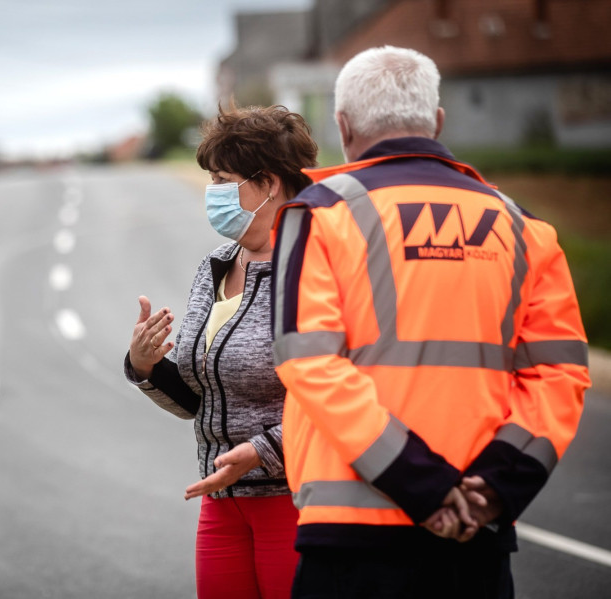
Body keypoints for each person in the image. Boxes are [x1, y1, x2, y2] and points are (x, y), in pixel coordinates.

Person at [270, 46, 591, 599]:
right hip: (477, 529)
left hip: (351, 532)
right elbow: (560, 376)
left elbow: (309, 362)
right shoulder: (525, 229)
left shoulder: (321, 215)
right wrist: (491, 489)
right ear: (437, 122)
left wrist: (424, 484)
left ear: (343, 127)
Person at [125, 104, 319, 599]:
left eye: (222, 178)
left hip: (295, 501)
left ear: (269, 183)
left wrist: (263, 451)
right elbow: (203, 400)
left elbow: (339, 396)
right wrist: (145, 367)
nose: (212, 193)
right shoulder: (216, 264)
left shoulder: (314, 268)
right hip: (222, 503)